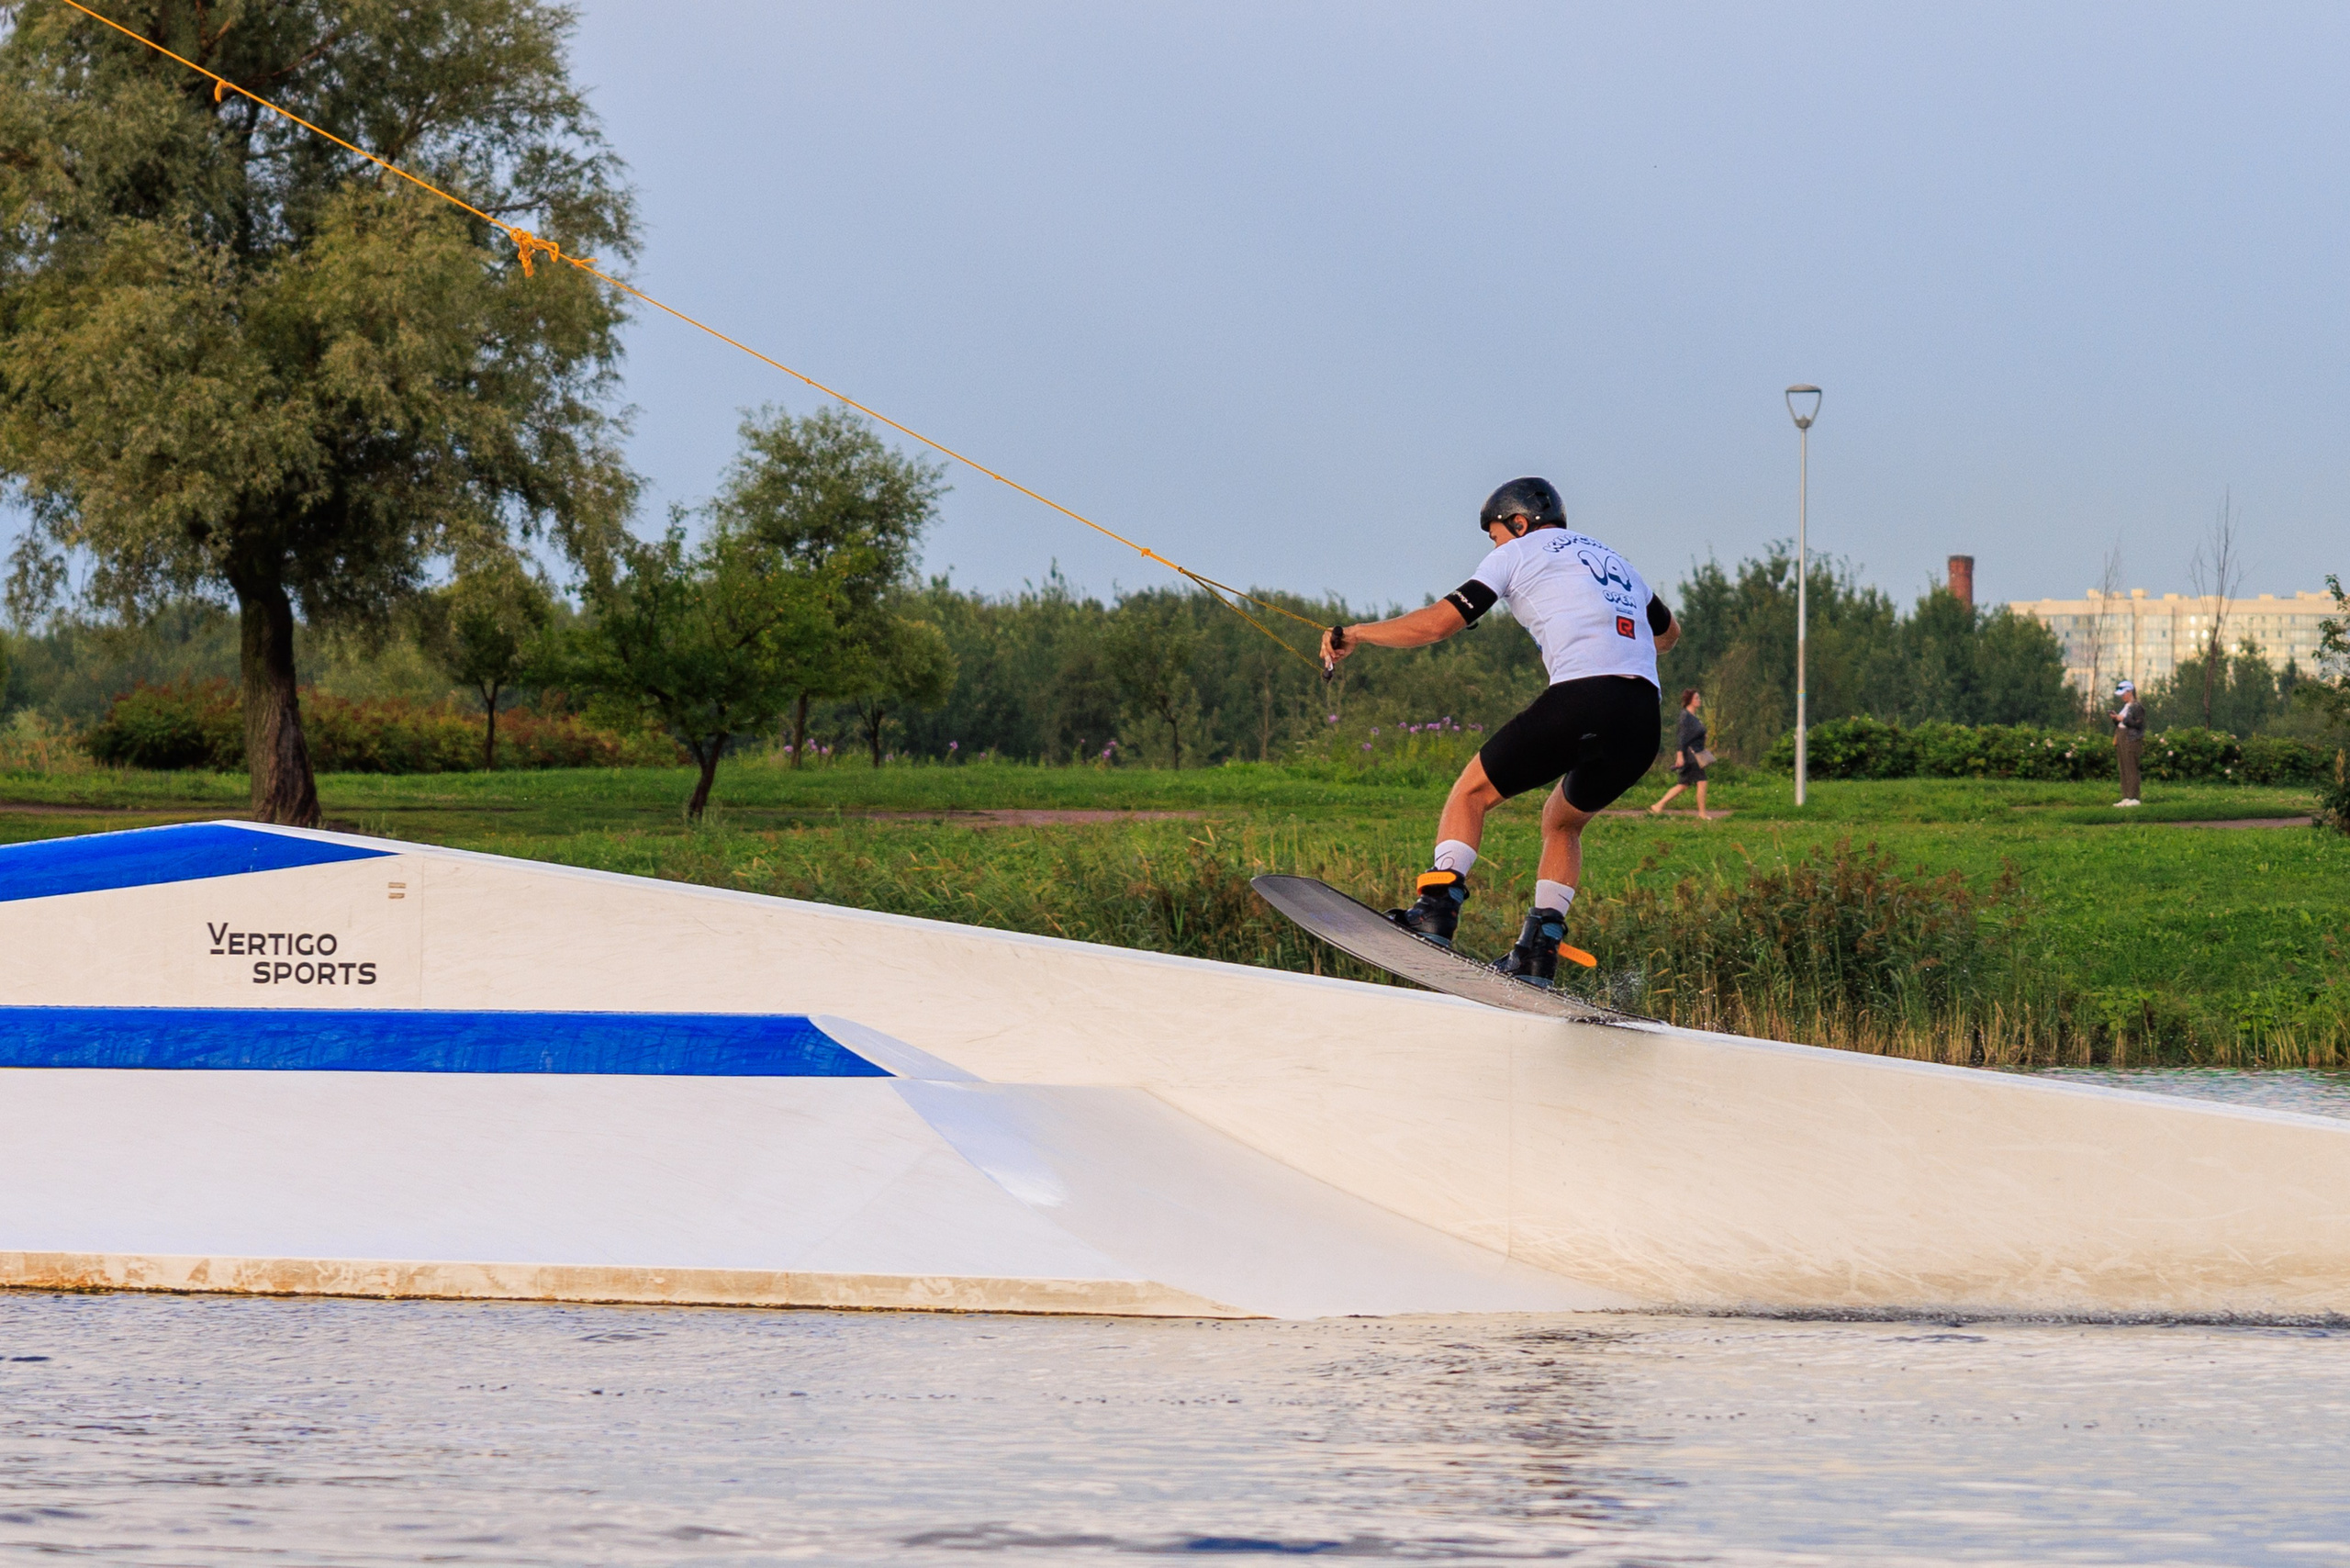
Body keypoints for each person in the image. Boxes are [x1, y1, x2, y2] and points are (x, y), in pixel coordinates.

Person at [1320, 476, 1679, 985]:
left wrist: (1356, 633)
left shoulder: (1517, 552)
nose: (1494, 546)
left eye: (1494, 536)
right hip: (1643, 718)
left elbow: (1436, 625)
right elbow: (1669, 635)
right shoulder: (1615, 560)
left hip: (1583, 697)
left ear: (1518, 522)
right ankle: (1538, 950)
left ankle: (1434, 911)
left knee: (1470, 792)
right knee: (1562, 821)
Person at [1647, 689, 1711, 819]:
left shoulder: (1693, 717)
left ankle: (1658, 805)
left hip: (1696, 752)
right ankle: (1702, 814)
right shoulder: (1685, 716)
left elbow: (1694, 733)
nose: (1699, 700)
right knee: (1702, 782)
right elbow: (1682, 736)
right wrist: (1680, 755)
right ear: (1690, 700)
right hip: (1692, 755)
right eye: (1697, 698)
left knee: (1683, 785)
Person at [2111, 679, 2145, 807]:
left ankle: (2134, 797)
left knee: (2131, 767)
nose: (2122, 697)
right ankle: (2126, 796)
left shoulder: (2137, 707)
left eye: (2124, 694)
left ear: (2130, 692)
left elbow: (2138, 724)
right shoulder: (2126, 706)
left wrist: (2123, 719)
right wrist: (2116, 719)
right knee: (2123, 767)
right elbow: (2122, 722)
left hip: (2131, 739)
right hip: (2121, 737)